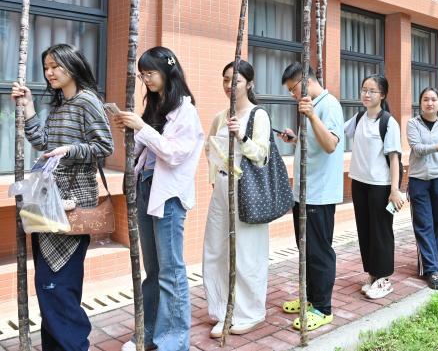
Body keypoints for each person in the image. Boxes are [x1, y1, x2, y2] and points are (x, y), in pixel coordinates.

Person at [12, 44, 114, 351]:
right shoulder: (60, 105)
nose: (49, 72)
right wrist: (29, 107)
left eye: (55, 66)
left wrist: (69, 150)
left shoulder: (87, 101)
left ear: (73, 65)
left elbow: (104, 146)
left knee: (57, 286)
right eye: (46, 67)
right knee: (49, 286)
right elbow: (42, 142)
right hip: (48, 202)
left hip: (72, 204)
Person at [116, 47, 204, 351]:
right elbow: (143, 151)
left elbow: (175, 153)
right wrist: (130, 129)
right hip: (145, 187)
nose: (146, 79)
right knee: (153, 270)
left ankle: (174, 341)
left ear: (169, 71)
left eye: (151, 73)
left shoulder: (186, 111)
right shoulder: (156, 107)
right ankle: (149, 333)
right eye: (143, 74)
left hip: (168, 196)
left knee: (171, 271)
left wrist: (141, 128)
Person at [203, 60, 273, 337]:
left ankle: (250, 312)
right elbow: (210, 146)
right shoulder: (221, 116)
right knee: (216, 249)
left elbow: (261, 155)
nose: (229, 85)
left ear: (249, 84)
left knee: (247, 252)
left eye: (236, 80)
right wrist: (214, 177)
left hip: (246, 190)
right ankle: (221, 310)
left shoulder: (259, 115)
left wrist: (241, 136)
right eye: (225, 79)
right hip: (222, 187)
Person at [278, 62, 344, 331]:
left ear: (305, 82)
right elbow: (316, 143)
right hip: (304, 193)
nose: (293, 95)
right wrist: (295, 139)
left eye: (293, 89)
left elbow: (330, 145)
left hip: (320, 194)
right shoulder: (313, 106)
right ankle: (309, 298)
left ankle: (323, 308)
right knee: (305, 249)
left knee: (319, 253)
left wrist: (312, 116)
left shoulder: (329, 105)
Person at [344, 74, 402, 299]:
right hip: (359, 183)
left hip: (380, 185)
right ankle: (372, 274)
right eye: (364, 90)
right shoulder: (359, 117)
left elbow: (394, 158)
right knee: (365, 230)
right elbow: (337, 133)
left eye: (372, 91)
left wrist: (394, 190)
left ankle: (384, 278)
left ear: (383, 95)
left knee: (381, 232)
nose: (366, 94)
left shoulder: (388, 122)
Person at [407, 87, 438, 289]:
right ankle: (433, 270)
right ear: (420, 102)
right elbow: (417, 149)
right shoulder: (413, 123)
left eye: (434, 99)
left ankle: (431, 264)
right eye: (425, 99)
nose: (430, 103)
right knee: (423, 224)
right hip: (418, 180)